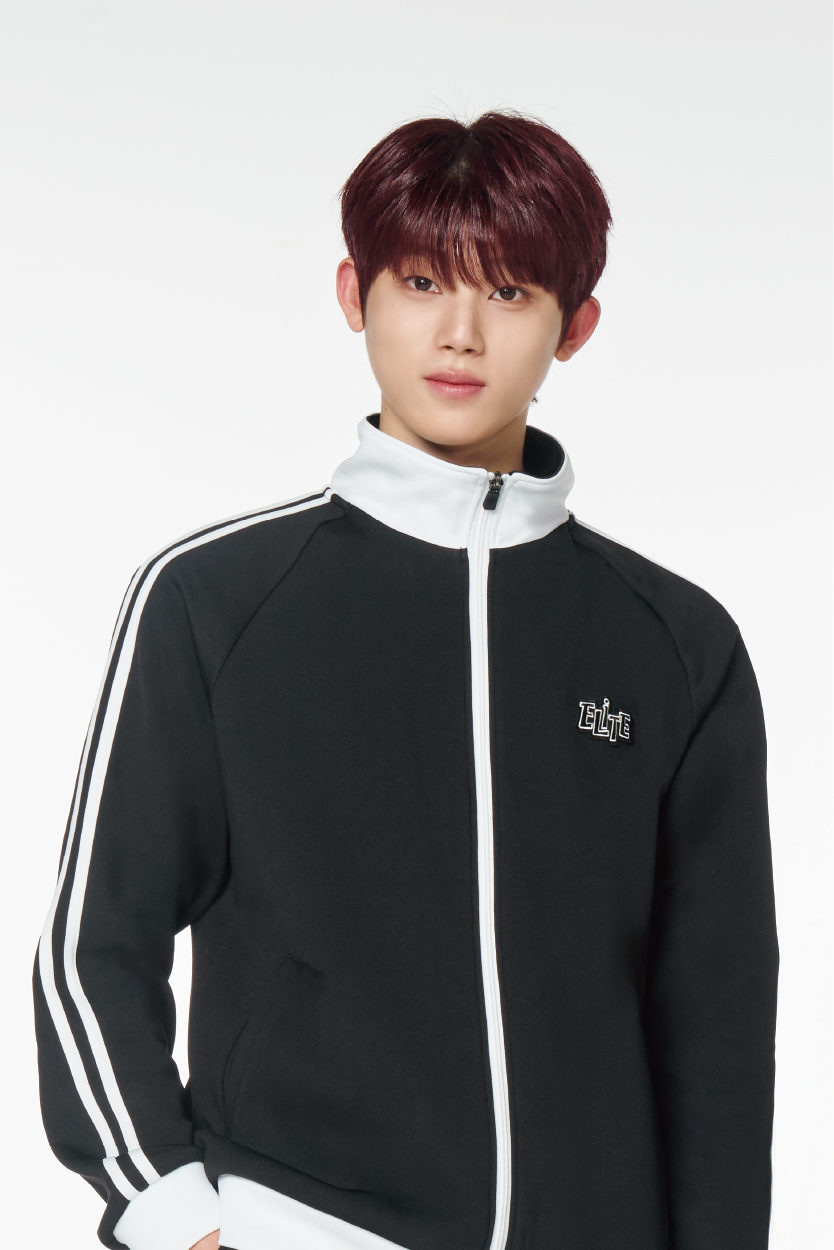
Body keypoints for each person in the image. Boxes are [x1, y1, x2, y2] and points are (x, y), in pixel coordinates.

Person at [34, 112, 778, 1250]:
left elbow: (717, 1022)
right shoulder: (215, 603)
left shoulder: (675, 643)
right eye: (423, 281)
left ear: (576, 325)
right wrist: (175, 1216)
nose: (461, 333)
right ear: (355, 293)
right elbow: (94, 948)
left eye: (512, 291)